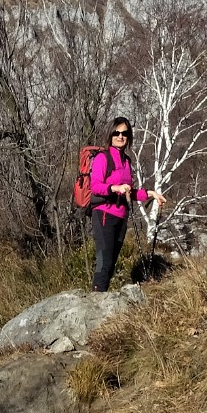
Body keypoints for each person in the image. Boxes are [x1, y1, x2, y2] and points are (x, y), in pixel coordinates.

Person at [90, 116, 165, 292]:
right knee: (104, 262)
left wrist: (150, 194)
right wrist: (114, 188)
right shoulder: (103, 157)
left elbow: (129, 191)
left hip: (121, 216)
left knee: (111, 263)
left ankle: (101, 300)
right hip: (104, 215)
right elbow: (95, 187)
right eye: (116, 132)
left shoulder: (126, 161)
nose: (120, 136)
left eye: (124, 133)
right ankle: (96, 302)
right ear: (110, 134)